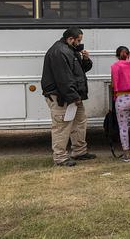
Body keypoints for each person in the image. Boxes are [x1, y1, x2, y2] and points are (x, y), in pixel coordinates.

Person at [41, 27, 96, 167]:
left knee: (79, 122)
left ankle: (79, 151)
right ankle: (60, 157)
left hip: (71, 95)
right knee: (62, 126)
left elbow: (79, 72)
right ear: (70, 39)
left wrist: (86, 59)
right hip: (62, 96)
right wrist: (73, 96)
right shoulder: (60, 52)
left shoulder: (70, 51)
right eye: (78, 40)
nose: (79, 43)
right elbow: (63, 78)